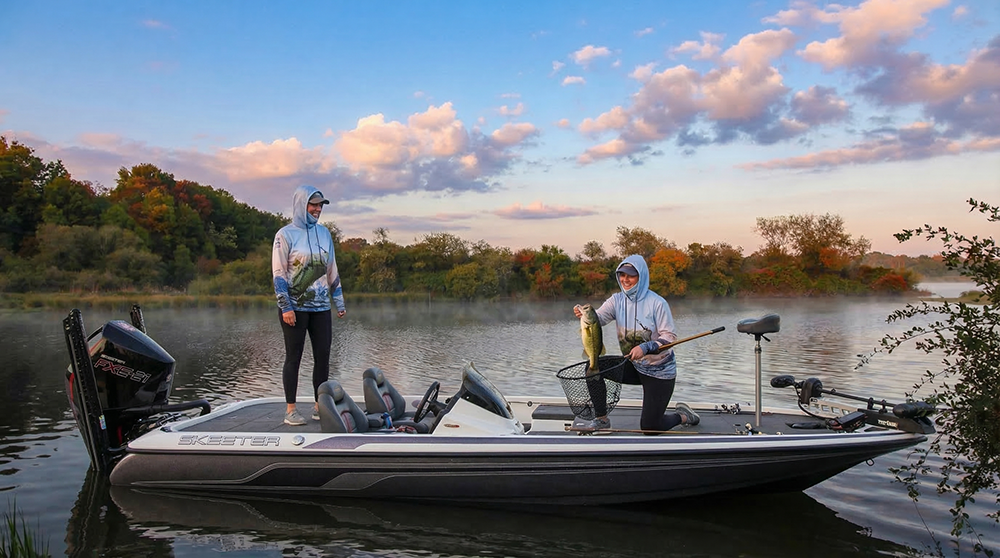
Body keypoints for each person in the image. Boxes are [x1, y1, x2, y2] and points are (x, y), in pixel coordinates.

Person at [572, 254, 699, 432]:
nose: (625, 279)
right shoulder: (616, 300)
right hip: (632, 366)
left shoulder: (657, 303)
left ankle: (684, 415)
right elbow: (598, 318)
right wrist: (584, 314)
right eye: (622, 275)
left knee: (650, 427)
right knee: (593, 367)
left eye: (631, 275)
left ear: (641, 276)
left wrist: (646, 347)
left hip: (659, 372)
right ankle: (601, 419)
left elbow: (669, 337)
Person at [272, 185, 346, 426]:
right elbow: (279, 273)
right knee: (294, 357)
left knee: (323, 356)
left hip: (321, 308)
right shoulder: (285, 234)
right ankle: (291, 409)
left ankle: (318, 405)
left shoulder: (325, 234)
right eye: (313, 204)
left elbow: (331, 268)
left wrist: (339, 301)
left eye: (320, 205)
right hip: (295, 307)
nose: (317, 209)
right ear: (301, 204)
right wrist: (286, 307)